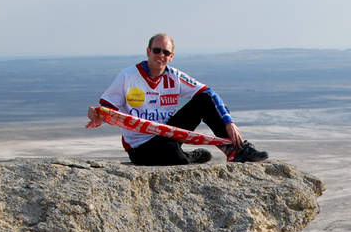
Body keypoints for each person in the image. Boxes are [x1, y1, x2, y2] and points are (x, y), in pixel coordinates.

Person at [86, 33, 268, 165]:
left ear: (171, 57)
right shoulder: (128, 76)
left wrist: (228, 121)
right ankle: (187, 157)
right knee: (174, 156)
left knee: (203, 100)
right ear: (148, 51)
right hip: (141, 146)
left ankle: (236, 150)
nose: (161, 56)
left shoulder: (174, 76)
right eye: (157, 51)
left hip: (168, 133)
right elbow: (106, 107)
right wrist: (96, 115)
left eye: (166, 52)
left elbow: (209, 93)